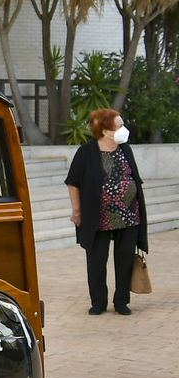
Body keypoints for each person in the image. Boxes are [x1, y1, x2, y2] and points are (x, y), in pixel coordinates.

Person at [66, 108, 148, 316]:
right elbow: (73, 183)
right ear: (105, 130)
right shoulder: (86, 152)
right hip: (98, 217)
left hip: (129, 215)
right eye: (119, 126)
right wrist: (77, 211)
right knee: (96, 261)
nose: (123, 129)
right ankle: (98, 302)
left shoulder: (125, 149)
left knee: (125, 259)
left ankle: (121, 301)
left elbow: (133, 177)